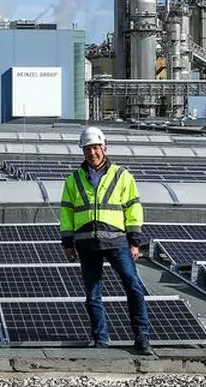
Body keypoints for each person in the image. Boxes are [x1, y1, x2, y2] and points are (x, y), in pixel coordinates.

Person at [59, 126, 152, 355]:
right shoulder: (73, 179)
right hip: (86, 244)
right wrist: (67, 244)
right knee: (92, 294)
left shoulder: (122, 175)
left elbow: (133, 209)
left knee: (133, 286)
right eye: (88, 148)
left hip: (117, 242)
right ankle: (100, 338)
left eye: (96, 147)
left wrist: (134, 241)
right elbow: (67, 213)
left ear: (104, 148)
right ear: (83, 152)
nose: (92, 153)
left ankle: (142, 337)